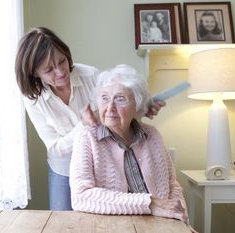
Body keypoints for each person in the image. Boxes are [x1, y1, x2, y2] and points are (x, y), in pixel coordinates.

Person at [14, 27, 165, 210]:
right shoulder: (33, 100)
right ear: (34, 73)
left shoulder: (91, 75)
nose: (60, 72)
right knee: (63, 224)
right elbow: (55, 148)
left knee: (103, 215)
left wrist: (141, 109)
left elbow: (115, 110)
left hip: (100, 162)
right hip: (63, 168)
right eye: (49, 70)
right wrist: (83, 125)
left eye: (62, 61)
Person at [69, 64, 189, 224]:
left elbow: (173, 185)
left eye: (120, 99)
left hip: (160, 224)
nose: (110, 108)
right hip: (111, 226)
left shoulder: (152, 135)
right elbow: (80, 196)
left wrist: (180, 218)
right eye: (104, 98)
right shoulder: (86, 138)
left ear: (137, 105)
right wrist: (150, 203)